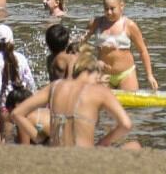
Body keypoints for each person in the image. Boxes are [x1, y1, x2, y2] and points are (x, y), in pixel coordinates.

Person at [10, 45, 139, 149]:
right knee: (134, 146)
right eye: (98, 78)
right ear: (94, 71)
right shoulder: (99, 91)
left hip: (57, 157)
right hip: (83, 160)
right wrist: (103, 142)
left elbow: (16, 113)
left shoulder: (55, 86)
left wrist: (38, 138)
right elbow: (126, 124)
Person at [83, 0, 157, 91]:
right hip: (103, 74)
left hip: (126, 74)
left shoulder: (129, 25)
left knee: (129, 106)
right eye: (106, 9)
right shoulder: (96, 23)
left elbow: (143, 51)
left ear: (121, 6)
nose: (109, 12)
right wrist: (91, 63)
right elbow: (80, 46)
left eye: (112, 9)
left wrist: (149, 75)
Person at [0, 23, 36, 137]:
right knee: (24, 139)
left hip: (6, 106)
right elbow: (30, 81)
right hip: (23, 103)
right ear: (12, 41)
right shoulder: (21, 57)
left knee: (5, 140)